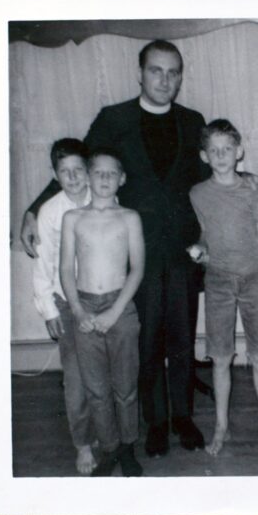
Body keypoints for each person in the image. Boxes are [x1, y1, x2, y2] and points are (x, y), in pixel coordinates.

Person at [20, 40, 209, 458]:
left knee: (181, 340)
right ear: (139, 73)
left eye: (173, 71)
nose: (165, 79)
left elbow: (206, 183)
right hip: (132, 254)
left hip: (181, 252)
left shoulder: (193, 120)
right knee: (144, 345)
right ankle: (156, 422)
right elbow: (77, 168)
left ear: (180, 76)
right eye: (156, 70)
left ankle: (183, 417)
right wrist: (34, 209)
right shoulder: (114, 118)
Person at [188, 120, 258, 458]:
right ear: (204, 155)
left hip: (254, 280)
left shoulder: (255, 188)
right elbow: (204, 232)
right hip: (217, 282)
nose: (221, 155)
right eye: (214, 150)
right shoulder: (197, 193)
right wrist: (199, 249)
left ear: (239, 151)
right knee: (221, 358)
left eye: (227, 148)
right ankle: (221, 427)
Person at [60, 150, 145, 477]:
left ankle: (127, 447)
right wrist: (78, 310)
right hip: (84, 305)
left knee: (125, 387)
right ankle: (108, 449)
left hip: (120, 307)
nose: (105, 179)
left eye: (112, 174)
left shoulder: (129, 218)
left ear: (122, 179)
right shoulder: (73, 219)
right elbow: (66, 269)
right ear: (88, 177)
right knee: (96, 388)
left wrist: (114, 312)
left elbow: (137, 269)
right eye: (99, 173)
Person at [31, 138, 95, 474]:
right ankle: (82, 445)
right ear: (55, 175)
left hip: (102, 298)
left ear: (88, 171)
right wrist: (49, 310)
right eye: (64, 172)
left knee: (103, 374)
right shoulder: (49, 212)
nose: (72, 178)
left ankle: (105, 433)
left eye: (78, 170)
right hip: (66, 302)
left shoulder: (103, 199)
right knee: (76, 379)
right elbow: (42, 266)